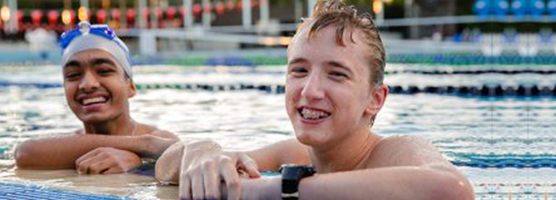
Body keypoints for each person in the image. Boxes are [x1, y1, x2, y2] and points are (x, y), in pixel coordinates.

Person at [154, 1, 474, 199]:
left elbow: (451, 191)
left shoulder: (395, 152)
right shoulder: (294, 154)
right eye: (300, 70)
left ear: (375, 99)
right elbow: (166, 166)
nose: (310, 91)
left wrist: (272, 191)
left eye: (337, 74)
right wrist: (199, 149)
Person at [15, 22, 178, 175]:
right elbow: (24, 153)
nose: (87, 84)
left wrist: (139, 164)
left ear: (130, 87)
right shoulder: (154, 142)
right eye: (73, 75)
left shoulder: (162, 137)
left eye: (104, 71)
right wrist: (146, 145)